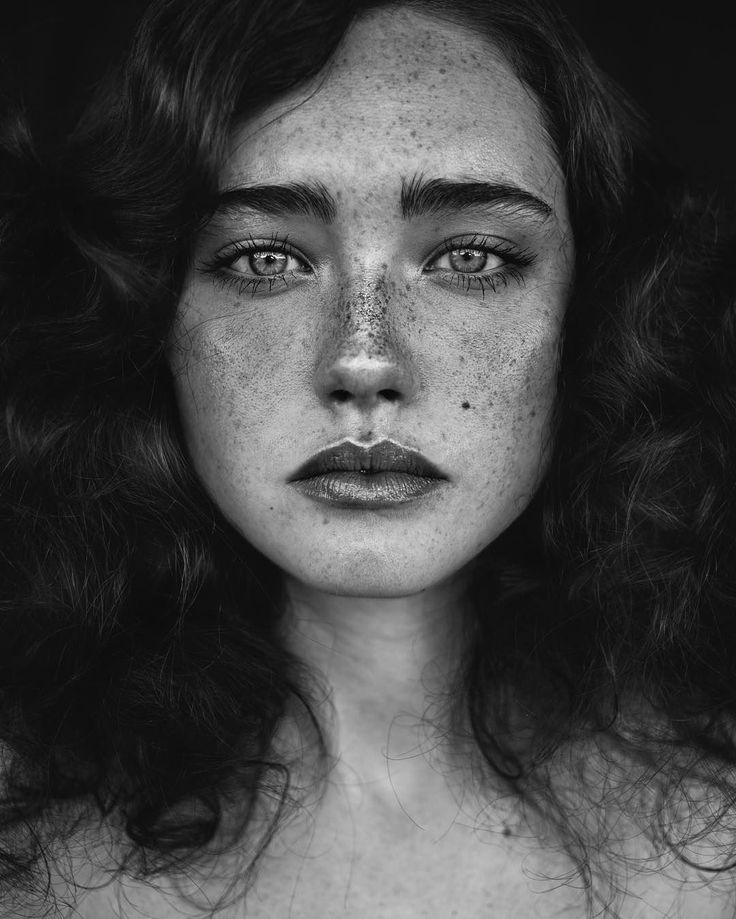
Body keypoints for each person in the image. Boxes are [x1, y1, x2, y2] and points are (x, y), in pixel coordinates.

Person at [1, 0, 735, 916]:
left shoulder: (716, 839)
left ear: (591, 314)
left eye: (471, 255)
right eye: (265, 260)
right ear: (148, 317)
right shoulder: (24, 860)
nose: (364, 361)